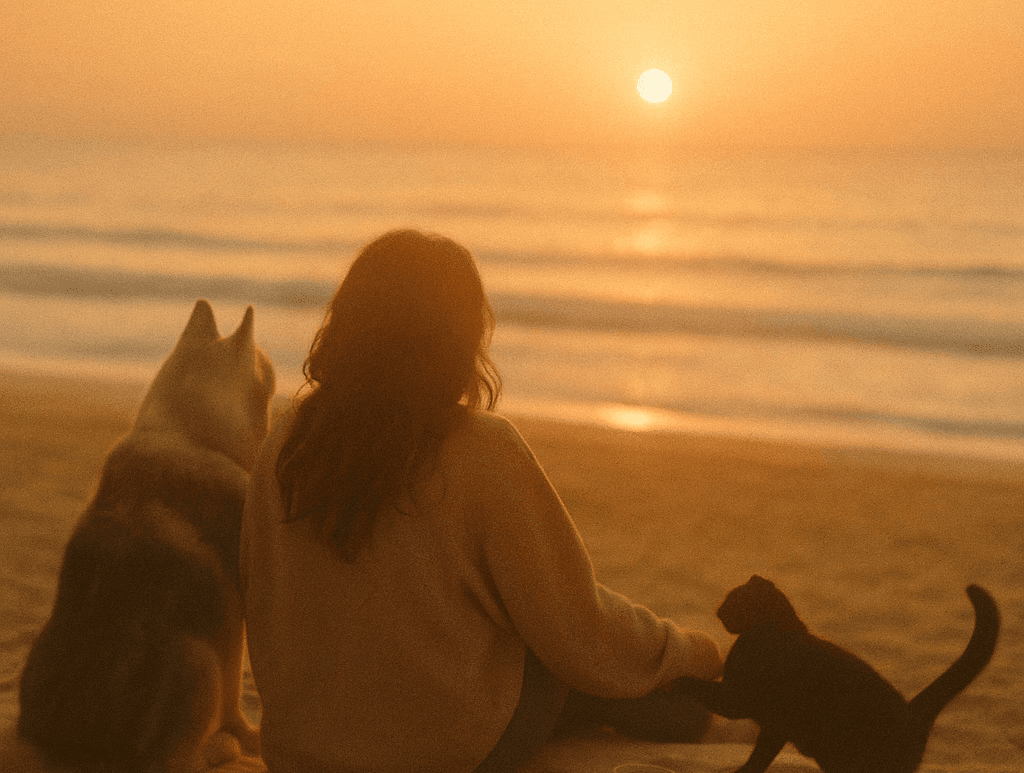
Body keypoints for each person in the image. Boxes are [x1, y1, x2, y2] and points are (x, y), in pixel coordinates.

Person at [240, 229, 726, 773]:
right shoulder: (482, 449)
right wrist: (686, 651)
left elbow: (262, 603)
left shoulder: (285, 443)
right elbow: (578, 629)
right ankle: (712, 719)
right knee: (565, 662)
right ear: (460, 337)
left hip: (302, 752)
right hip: (447, 753)